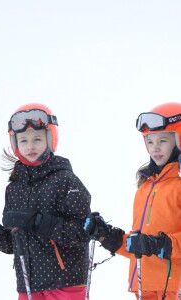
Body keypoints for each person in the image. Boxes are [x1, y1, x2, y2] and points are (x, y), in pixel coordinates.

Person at [0, 103, 91, 300]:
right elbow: (12, 244)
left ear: (50, 139)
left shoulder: (66, 181)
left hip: (66, 282)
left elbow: (82, 233)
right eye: (23, 140)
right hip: (28, 283)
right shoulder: (14, 187)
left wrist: (39, 221)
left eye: (37, 139)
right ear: (15, 144)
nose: (30, 146)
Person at [84, 102, 181, 300]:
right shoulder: (145, 187)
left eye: (163, 140)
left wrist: (160, 244)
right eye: (149, 141)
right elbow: (139, 244)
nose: (155, 148)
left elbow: (152, 243)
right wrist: (108, 236)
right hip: (143, 284)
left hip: (174, 286)